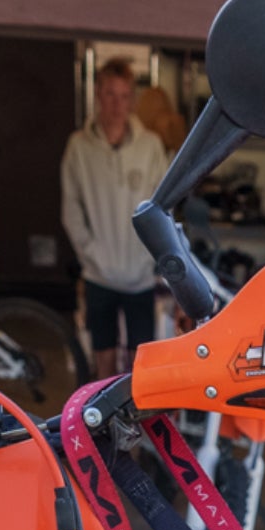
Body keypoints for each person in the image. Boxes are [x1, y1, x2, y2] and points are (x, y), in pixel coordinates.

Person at [61, 57, 167, 375]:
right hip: (98, 273)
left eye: (124, 96)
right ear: (98, 95)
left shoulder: (150, 147)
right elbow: (71, 209)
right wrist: (90, 254)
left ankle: (131, 424)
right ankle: (104, 425)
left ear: (132, 99)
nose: (116, 104)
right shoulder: (79, 147)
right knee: (103, 356)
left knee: (139, 361)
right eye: (110, 94)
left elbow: (164, 206)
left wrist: (154, 258)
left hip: (140, 273)